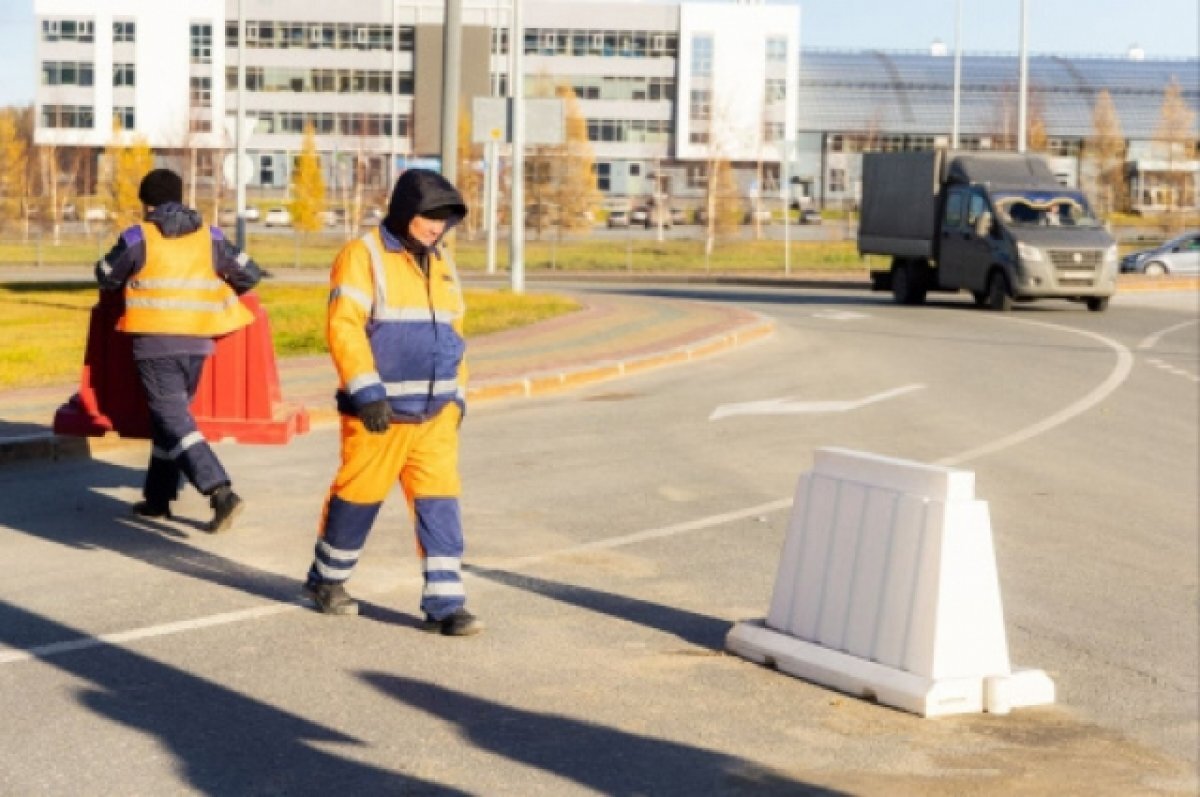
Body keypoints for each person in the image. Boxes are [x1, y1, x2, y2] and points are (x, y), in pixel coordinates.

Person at [301, 168, 482, 637]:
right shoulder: (362, 256)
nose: (437, 227)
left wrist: (457, 397)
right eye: (429, 217)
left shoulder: (440, 260)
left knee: (440, 505)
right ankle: (327, 580)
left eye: (444, 220)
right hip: (378, 416)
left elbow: (455, 334)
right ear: (405, 212)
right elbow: (344, 326)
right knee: (357, 500)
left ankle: (447, 603)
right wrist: (366, 392)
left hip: (435, 417)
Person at [95, 168, 263, 532]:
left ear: (147, 203)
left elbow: (106, 273)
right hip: (199, 342)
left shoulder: (140, 236)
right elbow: (249, 272)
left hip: (155, 343)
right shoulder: (210, 235)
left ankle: (220, 491)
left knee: (173, 419)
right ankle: (158, 499)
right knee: (169, 419)